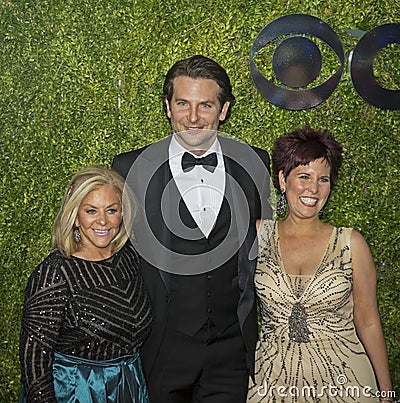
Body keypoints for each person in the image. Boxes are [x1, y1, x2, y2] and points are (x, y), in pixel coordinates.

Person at [112, 55, 272, 402]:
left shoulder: (255, 163)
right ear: (168, 107)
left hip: (231, 350)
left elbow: (265, 245)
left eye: (206, 105)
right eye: (183, 103)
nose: (194, 117)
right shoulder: (130, 168)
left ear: (223, 109)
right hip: (160, 348)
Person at [248, 127, 393, 402]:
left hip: (346, 382)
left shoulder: (351, 243)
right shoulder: (257, 235)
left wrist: (386, 393)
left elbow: (368, 320)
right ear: (282, 179)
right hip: (271, 382)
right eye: (304, 176)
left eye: (323, 179)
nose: (313, 189)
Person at [19, 165, 152, 402]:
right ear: (75, 215)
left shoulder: (129, 257)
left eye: (111, 210)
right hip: (77, 392)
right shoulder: (55, 273)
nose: (103, 221)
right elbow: (35, 363)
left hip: (130, 387)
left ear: (122, 213)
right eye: (91, 211)